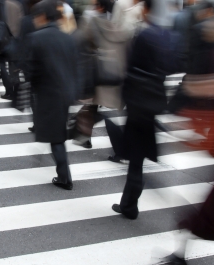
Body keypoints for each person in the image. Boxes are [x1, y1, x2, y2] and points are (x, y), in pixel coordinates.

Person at [112, 0, 176, 219]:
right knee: (137, 154)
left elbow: (130, 68)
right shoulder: (166, 35)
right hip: (153, 100)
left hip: (138, 101)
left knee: (136, 156)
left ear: (147, 10)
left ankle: (129, 205)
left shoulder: (144, 35)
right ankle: (129, 203)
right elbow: (170, 66)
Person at [27, 0, 77, 190]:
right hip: (66, 92)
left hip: (48, 93)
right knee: (57, 134)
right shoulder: (67, 37)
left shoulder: (37, 38)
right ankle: (63, 176)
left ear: (42, 16)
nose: (34, 21)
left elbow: (32, 70)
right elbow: (75, 66)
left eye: (35, 17)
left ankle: (65, 178)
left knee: (55, 137)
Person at [74, 0, 132, 149]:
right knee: (100, 107)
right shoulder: (123, 28)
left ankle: (119, 148)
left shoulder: (93, 22)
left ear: (100, 6)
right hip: (117, 74)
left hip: (99, 72)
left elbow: (81, 41)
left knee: (94, 107)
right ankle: (84, 135)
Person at [0, 0, 24, 100]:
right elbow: (21, 21)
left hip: (1, 38)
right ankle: (16, 89)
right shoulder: (17, 5)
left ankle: (8, 91)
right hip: (15, 39)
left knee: (2, 65)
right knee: (13, 67)